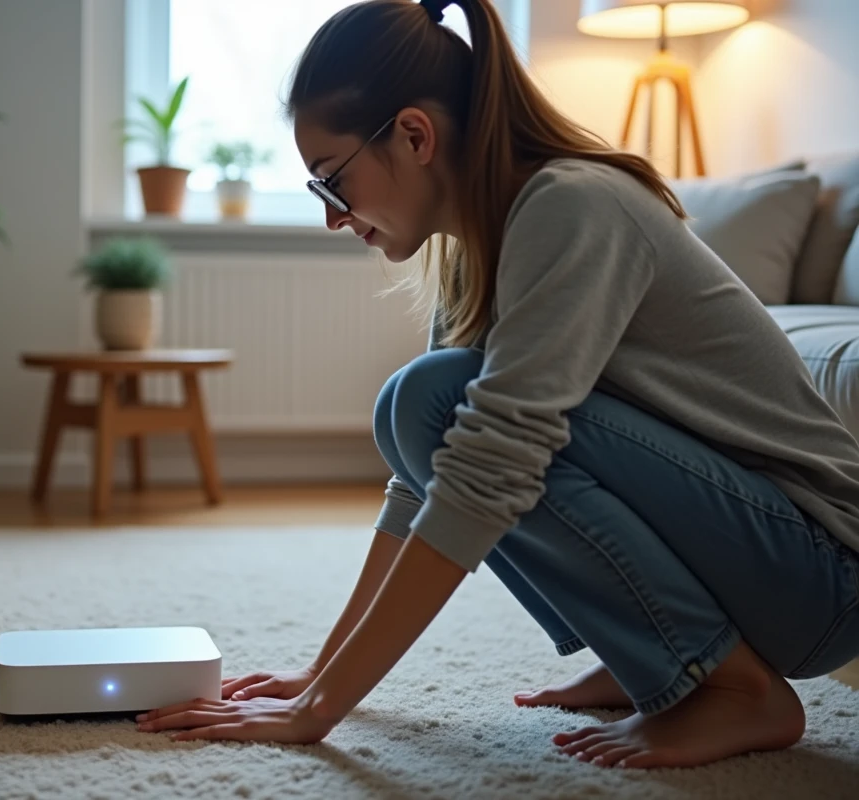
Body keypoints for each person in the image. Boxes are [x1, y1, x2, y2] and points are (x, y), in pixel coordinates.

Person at [135, 0, 859, 768]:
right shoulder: (474, 246)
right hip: (759, 562)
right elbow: (425, 484)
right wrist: (320, 673)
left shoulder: (572, 203)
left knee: (433, 400)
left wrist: (322, 709)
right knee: (412, 408)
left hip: (821, 572)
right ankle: (665, 656)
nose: (333, 218)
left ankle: (731, 687)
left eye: (332, 183)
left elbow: (490, 459)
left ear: (414, 135)